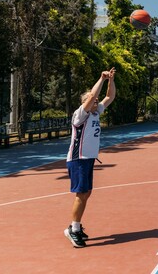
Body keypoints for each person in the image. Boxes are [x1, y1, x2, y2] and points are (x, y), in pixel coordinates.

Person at [64, 68, 116, 248]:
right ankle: (73, 229)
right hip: (78, 159)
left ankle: (75, 226)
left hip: (88, 159)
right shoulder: (80, 115)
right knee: (81, 194)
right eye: (90, 99)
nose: (95, 101)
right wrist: (101, 78)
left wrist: (111, 80)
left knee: (86, 193)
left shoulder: (95, 112)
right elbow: (95, 95)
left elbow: (109, 97)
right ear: (85, 102)